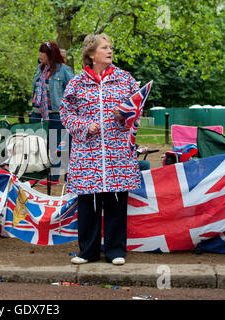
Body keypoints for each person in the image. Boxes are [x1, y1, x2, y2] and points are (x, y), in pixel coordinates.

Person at [60, 33, 141, 266]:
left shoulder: (126, 79)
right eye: (104, 47)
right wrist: (85, 126)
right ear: (91, 54)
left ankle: (116, 251)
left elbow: (138, 108)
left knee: (116, 203)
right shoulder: (76, 82)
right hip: (88, 154)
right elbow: (66, 113)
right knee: (89, 203)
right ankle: (88, 251)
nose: (110, 50)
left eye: (111, 47)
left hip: (117, 152)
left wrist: (124, 114)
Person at [30, 41, 74, 185]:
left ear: (50, 54)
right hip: (37, 113)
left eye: (42, 52)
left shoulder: (64, 70)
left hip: (55, 113)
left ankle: (56, 177)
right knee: (38, 144)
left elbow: (74, 91)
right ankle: (36, 174)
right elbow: (36, 89)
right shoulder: (40, 68)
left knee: (57, 145)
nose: (40, 55)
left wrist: (69, 110)